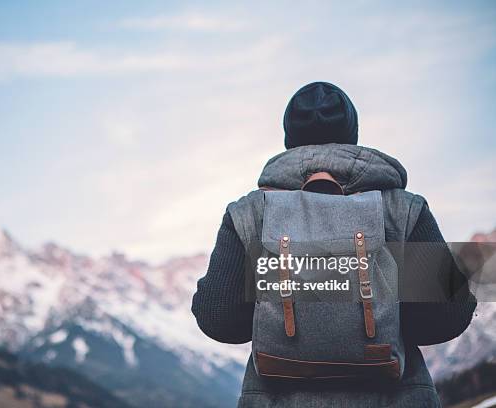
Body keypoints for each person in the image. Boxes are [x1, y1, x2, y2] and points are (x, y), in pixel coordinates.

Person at [191, 82, 476, 407]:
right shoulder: (402, 209)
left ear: (289, 140)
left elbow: (220, 320)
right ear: (352, 135)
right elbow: (445, 320)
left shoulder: (251, 214)